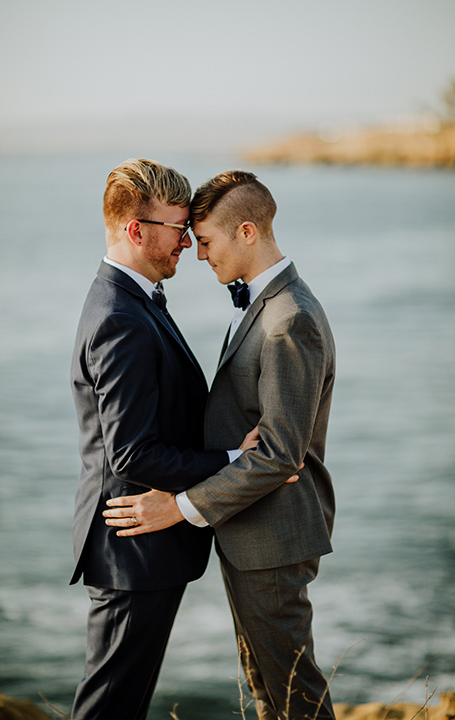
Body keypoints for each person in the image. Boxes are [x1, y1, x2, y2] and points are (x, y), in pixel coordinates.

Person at [104, 170, 336, 720]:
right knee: (265, 686)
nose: (197, 252)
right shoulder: (262, 304)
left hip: (273, 537)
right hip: (250, 530)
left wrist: (179, 507)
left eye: (206, 240)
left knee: (291, 693)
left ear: (248, 232)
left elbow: (280, 454)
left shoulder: (288, 320)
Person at [69, 159, 263, 720]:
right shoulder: (120, 318)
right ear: (136, 229)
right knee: (111, 705)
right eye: (178, 231)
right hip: (132, 544)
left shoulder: (134, 297)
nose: (187, 245)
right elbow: (131, 453)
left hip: (137, 545)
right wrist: (234, 458)